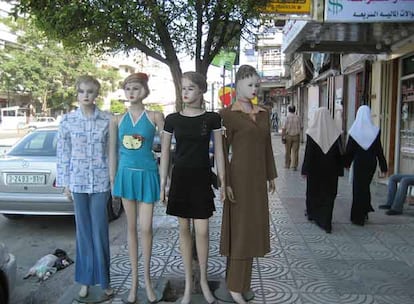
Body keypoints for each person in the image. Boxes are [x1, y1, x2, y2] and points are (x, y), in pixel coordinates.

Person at [159, 71, 225, 304]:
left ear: (201, 90)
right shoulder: (172, 119)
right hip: (180, 179)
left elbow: (219, 151)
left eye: (189, 88)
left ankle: (204, 281)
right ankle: (189, 284)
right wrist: (163, 184)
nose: (185, 92)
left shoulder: (212, 118)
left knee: (204, 230)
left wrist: (224, 182)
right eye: (183, 88)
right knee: (184, 230)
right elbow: (165, 153)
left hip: (202, 179)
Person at [220, 65, 277, 304]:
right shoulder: (226, 115)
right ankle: (234, 285)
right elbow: (222, 153)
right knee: (241, 232)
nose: (254, 89)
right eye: (249, 84)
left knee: (252, 231)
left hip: (258, 180)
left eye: (256, 84)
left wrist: (271, 176)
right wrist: (225, 182)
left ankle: (242, 283)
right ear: (238, 84)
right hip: (239, 179)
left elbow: (267, 146)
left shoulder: (263, 113)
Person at [109, 73, 164, 304]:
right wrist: (113, 181)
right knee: (130, 228)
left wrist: (165, 179)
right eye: (128, 89)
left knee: (147, 228)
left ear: (145, 90)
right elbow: (112, 152)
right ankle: (133, 283)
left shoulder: (155, 116)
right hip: (125, 177)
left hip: (148, 176)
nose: (131, 92)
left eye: (136, 88)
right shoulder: (117, 120)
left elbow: (168, 147)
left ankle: (147, 282)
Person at [56, 75, 113, 299]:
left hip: (100, 184)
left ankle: (105, 280)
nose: (86, 95)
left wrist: (112, 181)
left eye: (90, 91)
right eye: (82, 91)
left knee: (100, 232)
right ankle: (85, 280)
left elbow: (111, 153)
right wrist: (66, 184)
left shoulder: (107, 120)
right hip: (78, 183)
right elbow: (63, 154)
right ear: (77, 94)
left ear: (96, 94)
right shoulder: (67, 121)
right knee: (83, 234)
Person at [301, 107, 343, 233]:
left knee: (314, 192)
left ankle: (314, 214)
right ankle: (326, 220)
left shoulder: (312, 133)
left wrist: (305, 170)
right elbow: (339, 155)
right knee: (329, 194)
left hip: (315, 171)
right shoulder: (336, 133)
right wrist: (340, 170)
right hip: (331, 170)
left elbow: (309, 154)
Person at [344, 105, 387, 225]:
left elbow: (350, 150)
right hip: (371, 163)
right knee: (365, 187)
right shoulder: (375, 131)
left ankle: (358, 217)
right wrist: (383, 166)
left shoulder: (354, 131)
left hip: (359, 163)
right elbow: (379, 150)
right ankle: (364, 211)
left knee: (358, 188)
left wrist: (346, 163)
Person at [281, 105, 302, 170]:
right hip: (296, 136)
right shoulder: (298, 117)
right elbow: (301, 127)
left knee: (287, 151)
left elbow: (284, 128)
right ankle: (294, 166)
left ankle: (287, 165)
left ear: (288, 110)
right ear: (295, 110)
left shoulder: (286, 118)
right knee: (295, 152)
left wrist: (282, 136)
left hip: (288, 136)